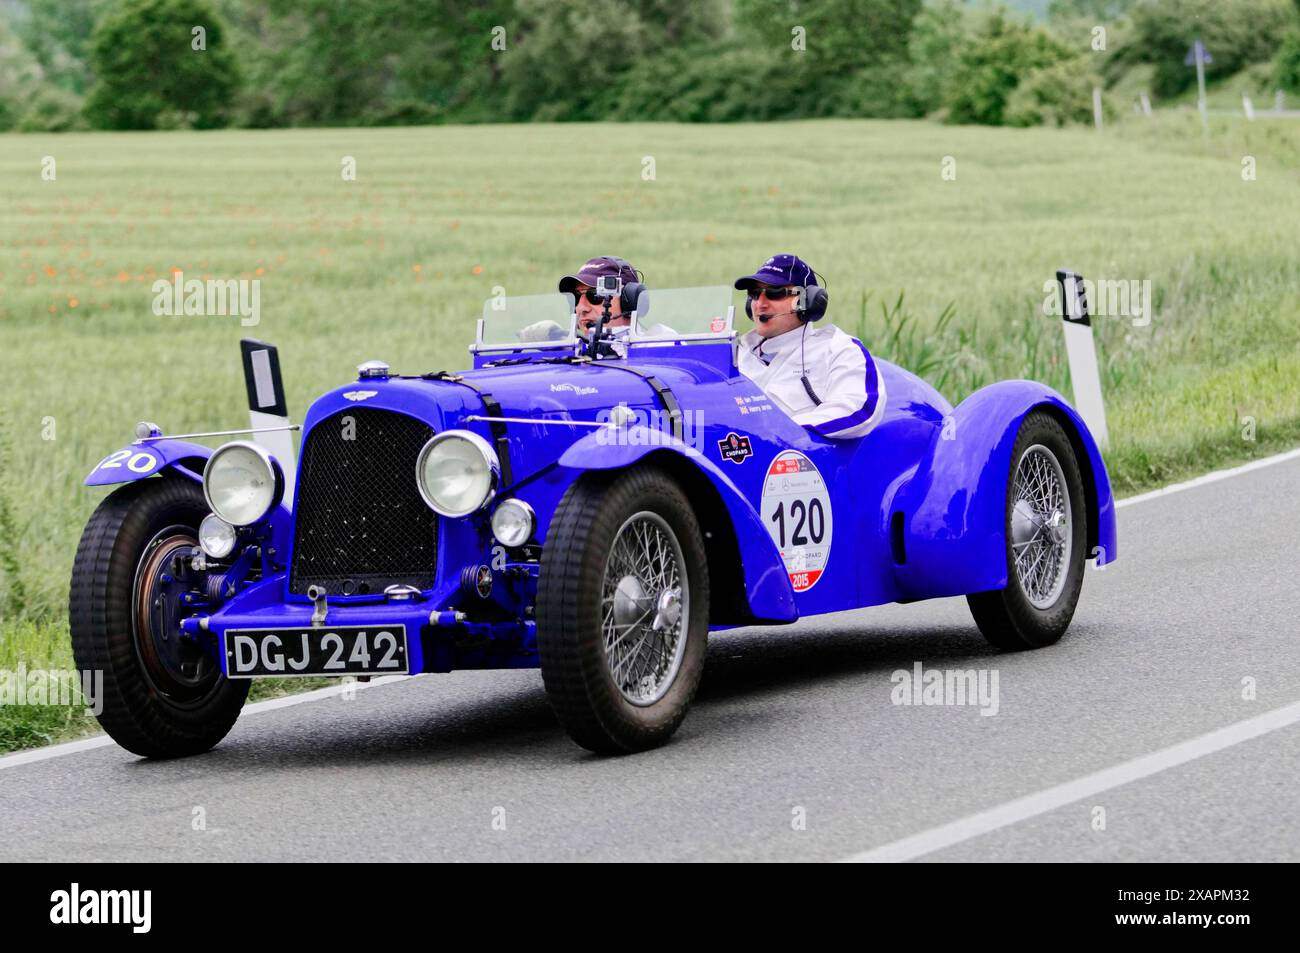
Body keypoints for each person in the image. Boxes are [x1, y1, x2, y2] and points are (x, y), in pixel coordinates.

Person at [734, 254, 886, 440]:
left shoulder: (838, 349)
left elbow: (859, 408)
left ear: (807, 301)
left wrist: (775, 433)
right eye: (755, 294)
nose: (760, 304)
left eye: (775, 293)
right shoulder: (733, 353)